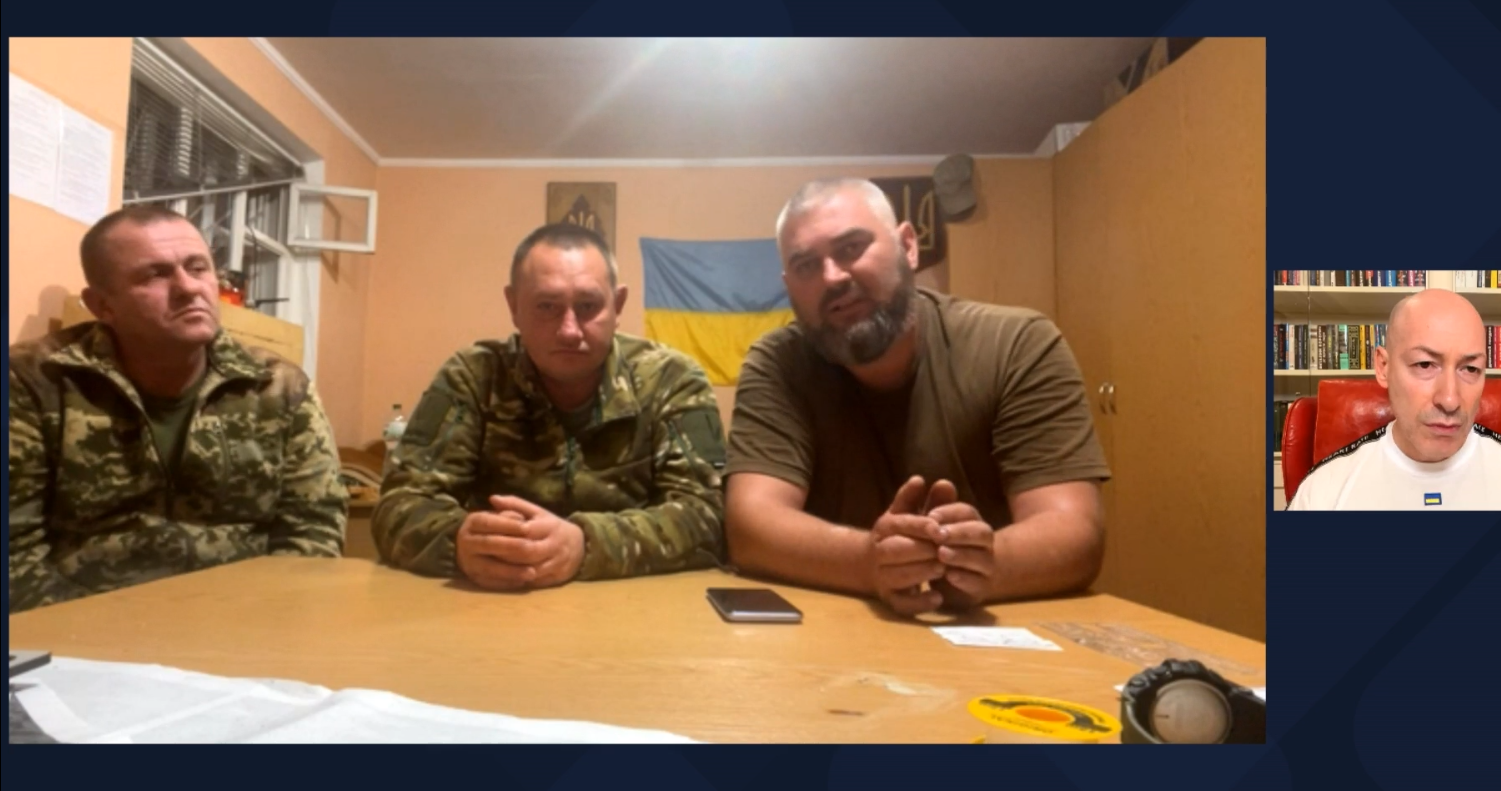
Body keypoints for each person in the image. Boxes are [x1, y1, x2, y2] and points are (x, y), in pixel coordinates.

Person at [724, 178, 1111, 616]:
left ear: (908, 246)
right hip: (835, 629)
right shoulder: (776, 364)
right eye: (806, 266)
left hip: (991, 630)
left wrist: (981, 564)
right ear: (788, 285)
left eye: (851, 248)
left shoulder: (1017, 345)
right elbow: (750, 526)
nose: (832, 277)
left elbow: (1075, 531)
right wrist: (871, 563)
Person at [8, 206, 347, 613]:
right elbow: (15, 551)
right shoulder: (33, 380)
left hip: (246, 620)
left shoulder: (278, 386)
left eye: (198, 268)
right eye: (155, 274)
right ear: (102, 305)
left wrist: (266, 622)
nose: (188, 288)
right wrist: (85, 637)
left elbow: (313, 530)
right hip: (81, 625)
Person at [372, 223, 726, 589]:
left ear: (618, 305)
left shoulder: (671, 379)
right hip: (494, 603)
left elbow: (708, 515)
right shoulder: (474, 377)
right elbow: (398, 505)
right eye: (546, 307)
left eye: (588, 306)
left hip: (632, 607)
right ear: (513, 306)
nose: (569, 330)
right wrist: (459, 541)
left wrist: (587, 545)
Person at [1288, 288, 1501, 510]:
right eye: (1425, 365)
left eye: (1470, 369)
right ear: (1384, 367)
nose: (1450, 400)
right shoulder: (1322, 493)